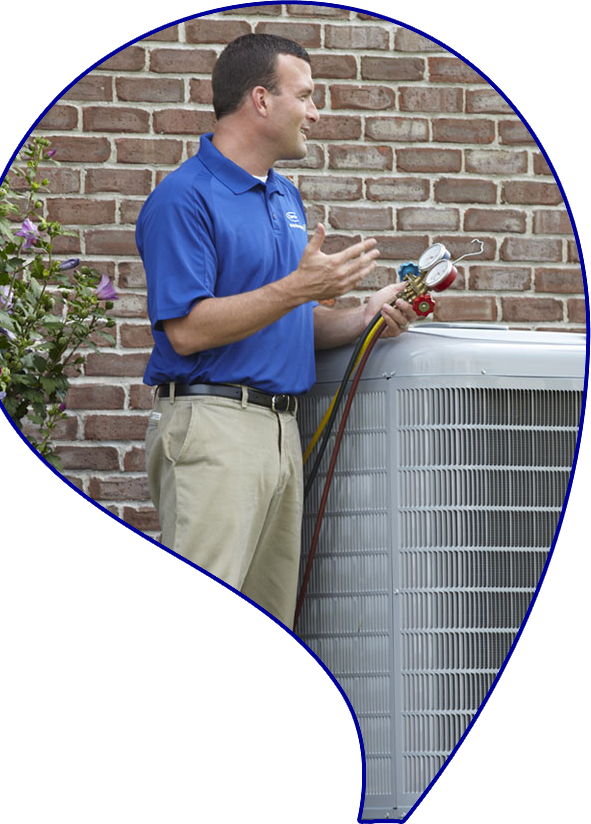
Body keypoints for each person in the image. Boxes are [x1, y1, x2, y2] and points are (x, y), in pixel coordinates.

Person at [107, 33, 416, 820]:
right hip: (213, 430)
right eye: (306, 92)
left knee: (257, 645)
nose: (318, 109)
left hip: (281, 432)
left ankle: (236, 811)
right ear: (260, 99)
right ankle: (138, 810)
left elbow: (297, 320)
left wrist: (369, 313)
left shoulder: (281, 196)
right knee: (194, 631)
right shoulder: (184, 197)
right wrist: (296, 287)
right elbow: (187, 330)